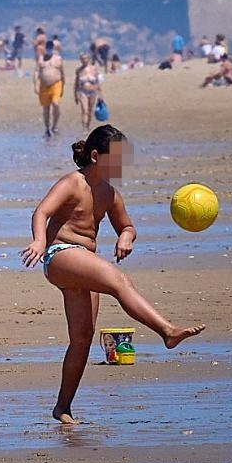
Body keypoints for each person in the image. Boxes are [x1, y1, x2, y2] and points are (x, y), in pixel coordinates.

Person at [21, 125, 205, 423]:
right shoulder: (72, 183)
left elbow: (127, 225)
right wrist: (40, 241)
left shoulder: (110, 194)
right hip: (60, 255)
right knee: (119, 281)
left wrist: (126, 237)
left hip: (83, 263)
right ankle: (167, 332)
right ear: (95, 156)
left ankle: (63, 408)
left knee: (82, 338)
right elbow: (41, 212)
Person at [35, 39, 65, 138]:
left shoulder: (58, 59)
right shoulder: (41, 58)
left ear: (53, 48)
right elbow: (36, 72)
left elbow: (62, 73)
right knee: (46, 108)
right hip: (43, 86)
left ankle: (55, 126)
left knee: (55, 103)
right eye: (47, 48)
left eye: (50, 48)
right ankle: (47, 128)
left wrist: (63, 87)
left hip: (56, 84)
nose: (49, 49)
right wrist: (35, 84)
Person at [73, 54, 101, 130]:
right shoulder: (79, 70)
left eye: (85, 58)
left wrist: (100, 94)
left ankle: (88, 126)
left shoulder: (94, 69)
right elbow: (76, 83)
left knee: (90, 111)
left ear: (89, 59)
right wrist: (75, 94)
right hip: (83, 92)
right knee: (84, 110)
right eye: (82, 59)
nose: (84, 60)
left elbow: (98, 82)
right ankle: (84, 128)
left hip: (93, 92)